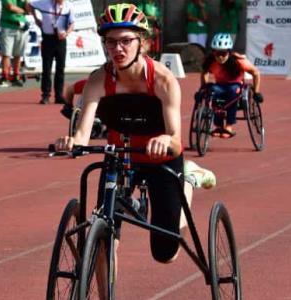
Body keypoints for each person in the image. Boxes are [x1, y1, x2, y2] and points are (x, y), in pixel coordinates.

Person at [54, 2, 216, 279]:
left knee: (166, 254)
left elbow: (177, 140)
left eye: (126, 41)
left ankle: (188, 180)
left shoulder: (163, 80)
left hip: (161, 159)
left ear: (143, 42)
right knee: (103, 239)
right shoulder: (98, 80)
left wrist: (165, 139)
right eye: (111, 42)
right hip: (120, 157)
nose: (118, 49)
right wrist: (71, 141)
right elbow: (82, 133)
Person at [199, 32, 263, 139]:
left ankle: (228, 126)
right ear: (213, 52)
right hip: (219, 85)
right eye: (217, 53)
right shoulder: (210, 61)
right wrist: (203, 88)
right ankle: (218, 125)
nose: (220, 57)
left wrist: (256, 92)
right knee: (212, 91)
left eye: (223, 54)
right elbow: (204, 72)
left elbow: (256, 73)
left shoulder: (239, 61)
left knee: (233, 92)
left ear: (229, 52)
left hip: (235, 85)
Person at [29, 0, 75, 104]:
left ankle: (59, 95)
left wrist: (66, 33)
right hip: (48, 38)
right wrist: (36, 19)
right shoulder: (44, 3)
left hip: (61, 39)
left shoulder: (69, 6)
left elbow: (72, 23)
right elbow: (29, 4)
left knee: (60, 68)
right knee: (46, 68)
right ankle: (45, 95)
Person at [0, 0, 30, 88]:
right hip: (8, 26)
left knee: (18, 54)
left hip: (21, 27)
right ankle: (5, 77)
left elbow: (29, 10)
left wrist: (26, 2)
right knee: (6, 54)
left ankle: (16, 76)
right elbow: (10, 7)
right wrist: (23, 11)